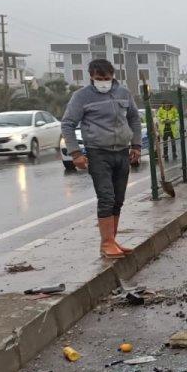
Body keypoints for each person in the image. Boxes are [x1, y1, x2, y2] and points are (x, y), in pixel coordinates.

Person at [61, 59, 143, 258]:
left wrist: (136, 145)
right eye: (99, 78)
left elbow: (133, 118)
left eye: (107, 78)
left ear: (113, 75)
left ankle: (112, 240)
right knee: (106, 197)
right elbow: (68, 124)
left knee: (118, 199)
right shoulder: (81, 97)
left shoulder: (123, 93)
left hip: (122, 151)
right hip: (98, 152)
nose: (104, 82)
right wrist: (76, 153)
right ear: (91, 76)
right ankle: (106, 243)